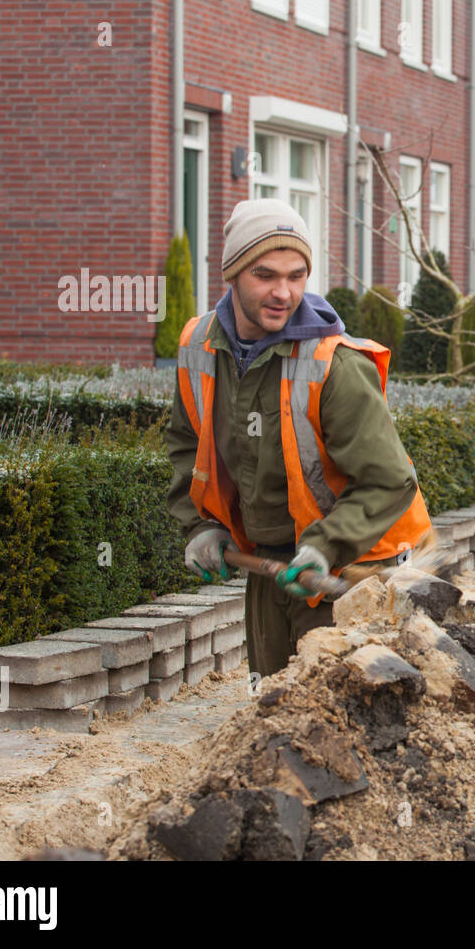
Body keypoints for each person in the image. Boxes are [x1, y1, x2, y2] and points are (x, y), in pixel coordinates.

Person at [166, 198, 432, 677]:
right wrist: (201, 525)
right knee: (271, 707)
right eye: (265, 275)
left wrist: (326, 544)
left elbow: (390, 480)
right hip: (269, 566)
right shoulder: (198, 346)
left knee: (345, 724)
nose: (283, 292)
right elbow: (188, 447)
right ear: (231, 273)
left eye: (297, 276)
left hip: (357, 569)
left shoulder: (335, 365)